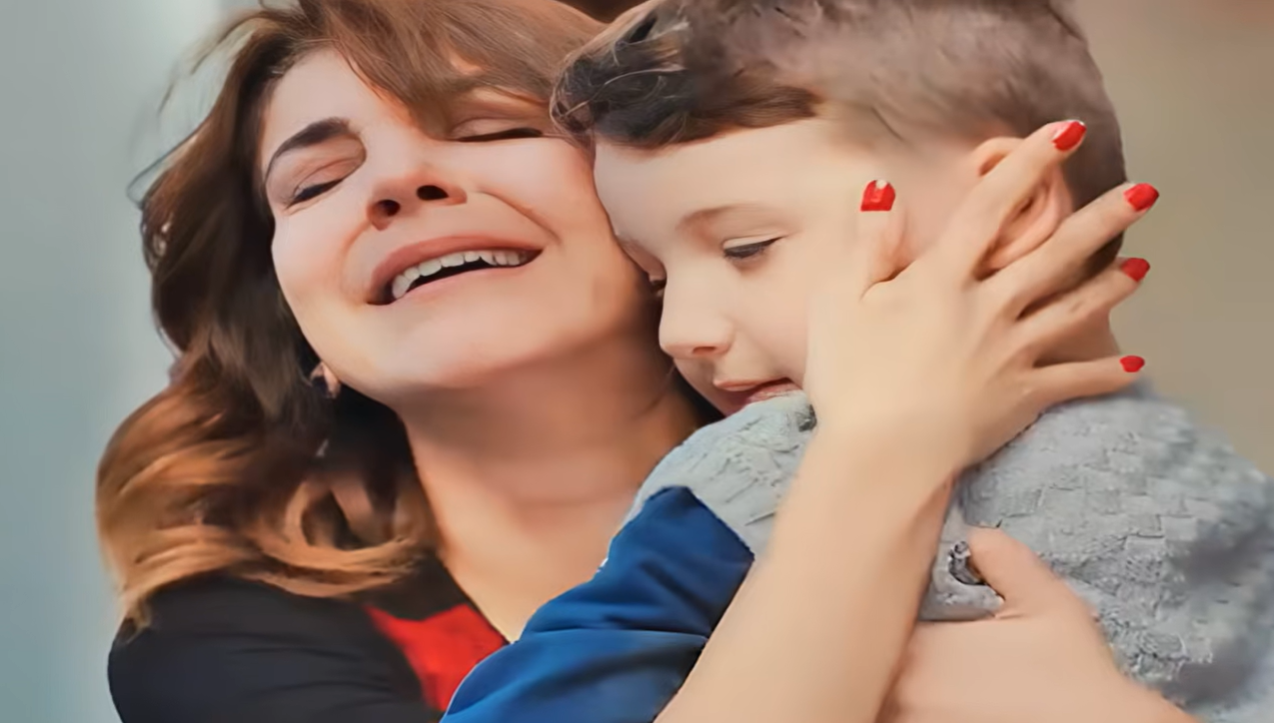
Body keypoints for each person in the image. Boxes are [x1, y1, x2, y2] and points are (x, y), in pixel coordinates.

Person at [101, 1, 1160, 722]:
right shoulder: (220, 647)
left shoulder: (1052, 487)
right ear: (289, 322)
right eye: (315, 182)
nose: (394, 184)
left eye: (490, 128)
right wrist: (883, 455)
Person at [444, 1, 1274, 722]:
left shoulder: (1225, 489)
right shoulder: (752, 480)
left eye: (746, 246)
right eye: (656, 279)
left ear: (1015, 203)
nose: (680, 330)